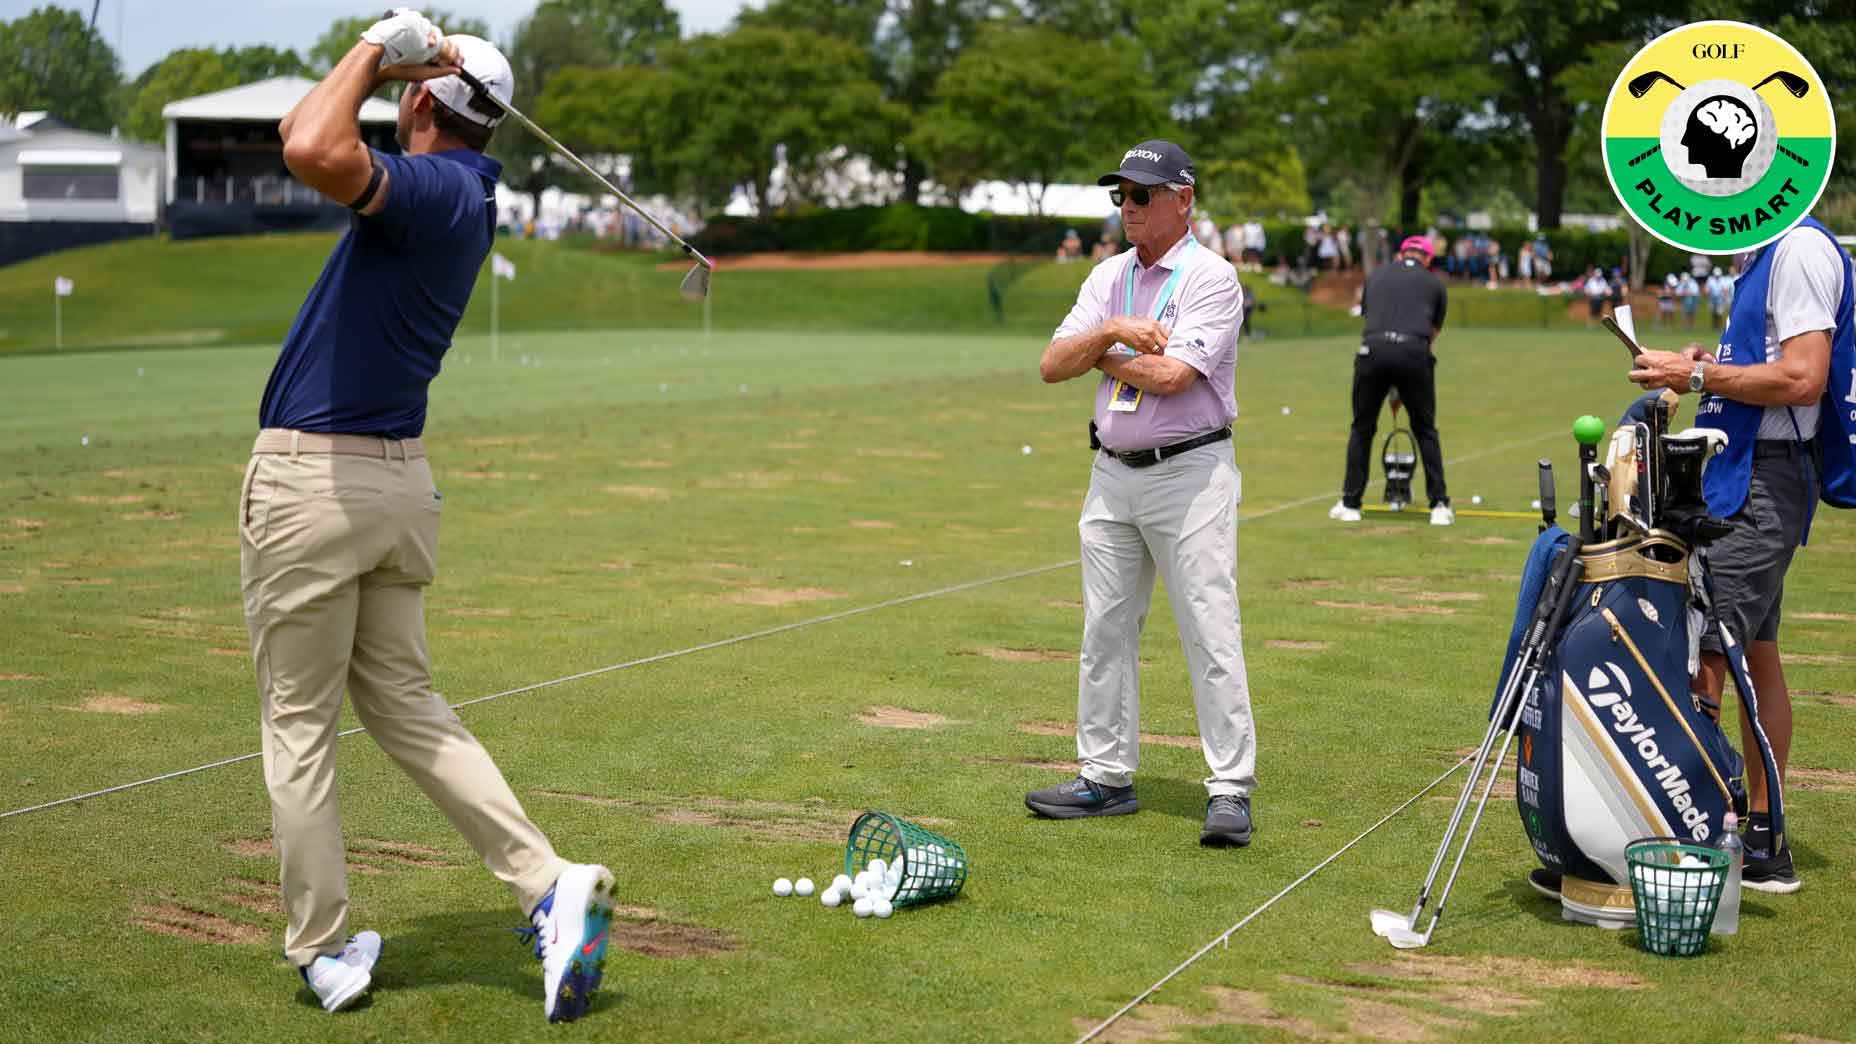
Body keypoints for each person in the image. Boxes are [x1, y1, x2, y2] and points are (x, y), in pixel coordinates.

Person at [247, 14, 612, 1019]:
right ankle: (546, 884)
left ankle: (323, 949)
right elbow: (304, 129)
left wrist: (376, 47)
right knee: (405, 705)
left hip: (318, 487)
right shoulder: (467, 190)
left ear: (418, 101)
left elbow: (307, 145)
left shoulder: (434, 188)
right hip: (394, 488)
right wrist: (389, 68)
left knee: (298, 725)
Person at [1026, 138, 1257, 849]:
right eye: (1119, 194)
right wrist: (1112, 331)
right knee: (1104, 630)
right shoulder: (1107, 278)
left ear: (1182, 200)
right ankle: (1104, 776)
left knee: (1209, 629)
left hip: (1190, 472)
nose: (1126, 207)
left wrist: (1099, 353)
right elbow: (1051, 364)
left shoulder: (1212, 278)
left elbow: (1173, 377)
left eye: (1141, 194)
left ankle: (1229, 787)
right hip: (1111, 473)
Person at [1627, 215, 1853, 893]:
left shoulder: (1798, 248)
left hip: (1764, 475)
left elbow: (1803, 377)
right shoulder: (1761, 254)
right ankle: (1762, 838)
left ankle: (1691, 837)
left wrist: (1697, 375)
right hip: (1745, 474)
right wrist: (1707, 365)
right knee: (1755, 653)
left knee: (1708, 656)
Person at [1329, 235, 1452, 525]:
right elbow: (1432, 332)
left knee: (1362, 428)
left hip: (1372, 352)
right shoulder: (1435, 283)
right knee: (1425, 429)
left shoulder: (1376, 276)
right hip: (1413, 352)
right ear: (1428, 259)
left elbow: (1372, 316)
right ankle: (1439, 505)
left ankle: (1350, 503)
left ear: (1400, 254)